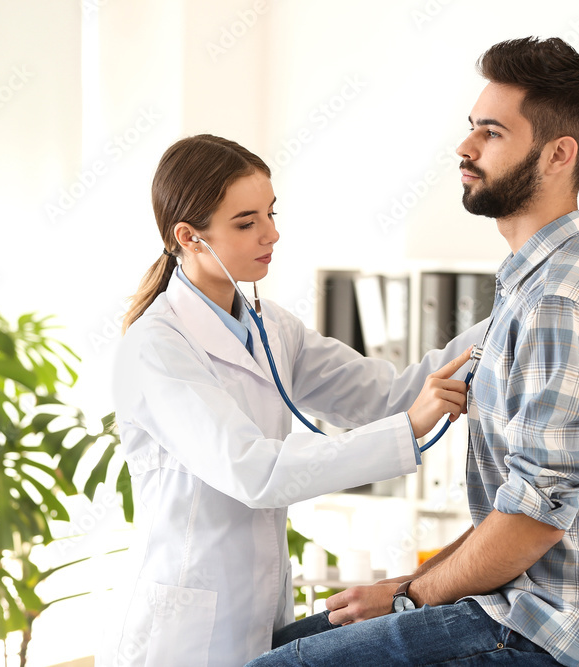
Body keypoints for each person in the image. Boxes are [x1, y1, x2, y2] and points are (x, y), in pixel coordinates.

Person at [248, 36, 579, 667]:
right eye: (472, 127)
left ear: (559, 154)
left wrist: (407, 597)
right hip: (518, 611)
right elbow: (518, 508)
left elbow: (533, 521)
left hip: (543, 638)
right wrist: (405, 589)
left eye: (491, 133)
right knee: (283, 645)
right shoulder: (532, 286)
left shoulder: (558, 301)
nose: (466, 148)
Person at [97, 134, 488, 666]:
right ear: (188, 236)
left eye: (270, 213)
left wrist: (504, 320)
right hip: (184, 636)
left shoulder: (271, 325)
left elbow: (388, 393)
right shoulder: (156, 347)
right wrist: (407, 430)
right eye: (246, 222)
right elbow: (255, 472)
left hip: (259, 616)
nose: (272, 233)